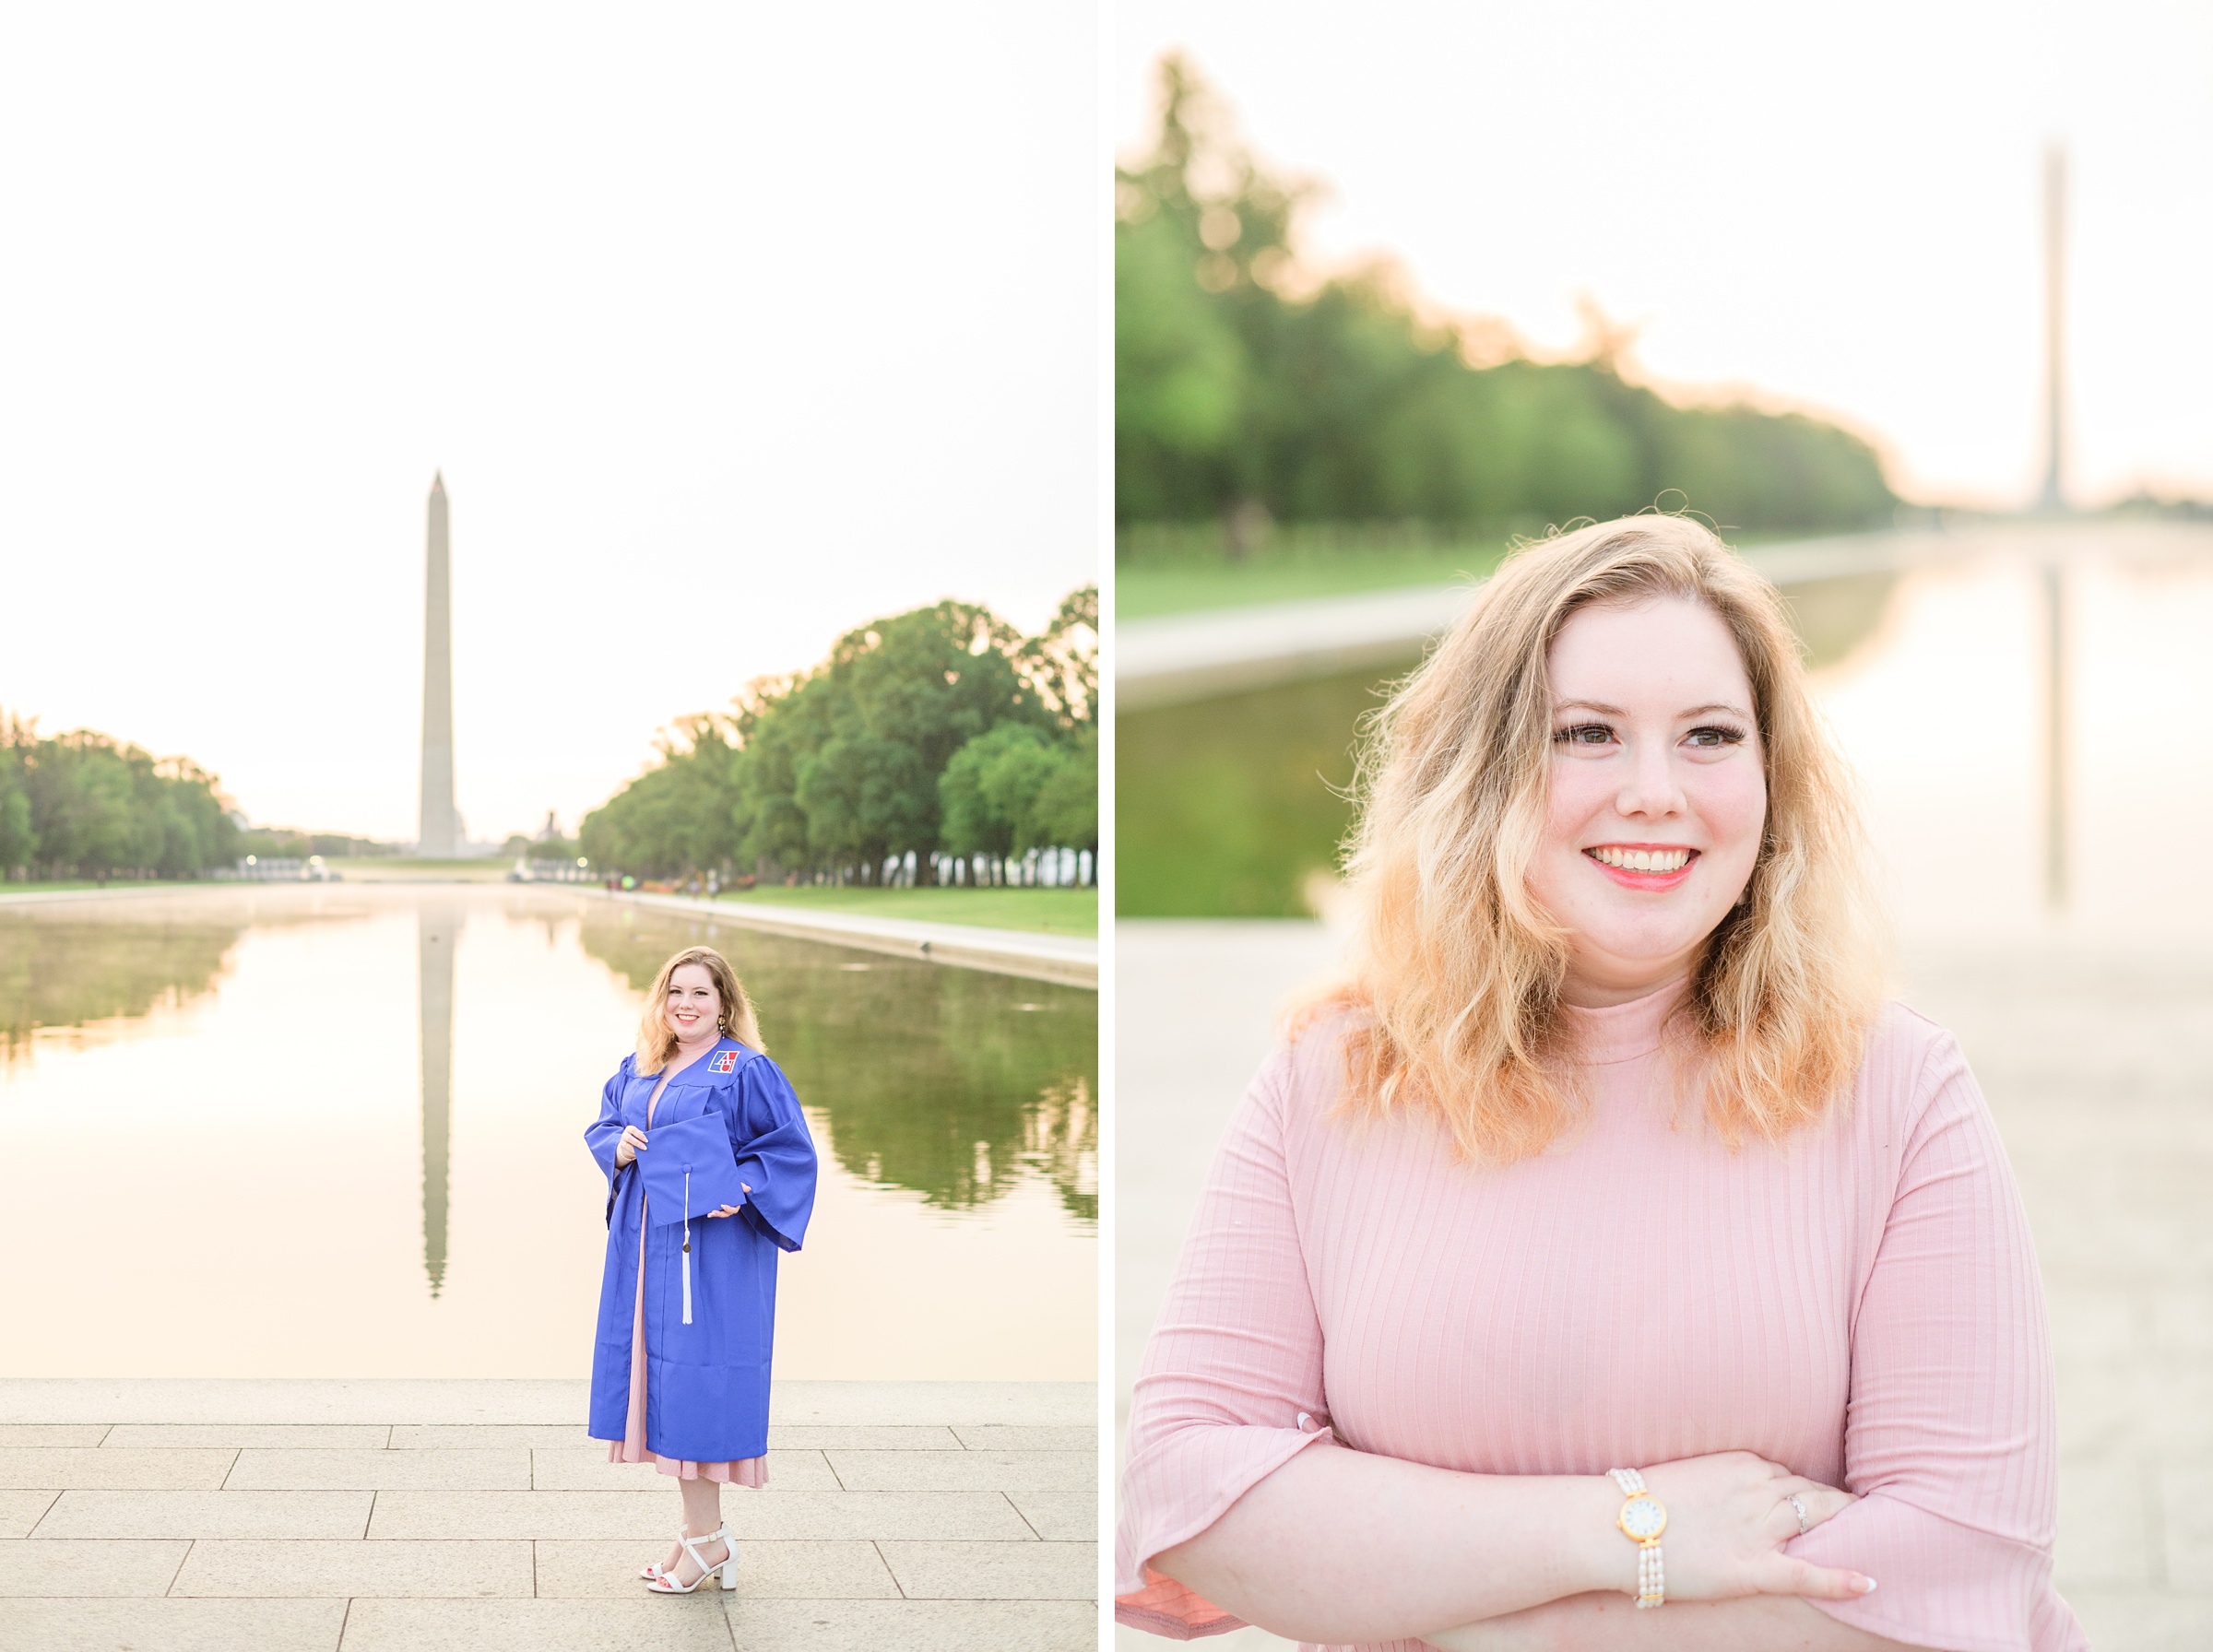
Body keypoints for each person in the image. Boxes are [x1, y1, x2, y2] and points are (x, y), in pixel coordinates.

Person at [1116, 517, 2087, 1650]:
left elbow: (1961, 1570)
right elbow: (1185, 1490)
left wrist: (1433, 1601)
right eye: (1587, 733)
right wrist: (1633, 1531)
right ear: (1482, 772)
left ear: (1773, 778)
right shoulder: (1334, 1077)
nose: (1655, 791)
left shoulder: (1900, 1089)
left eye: (1711, 735)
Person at [586, 944, 817, 1594]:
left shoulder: (744, 1070)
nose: (685, 1004)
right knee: (665, 1390)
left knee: (696, 1390)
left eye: (700, 994)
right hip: (645, 1256)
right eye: (674, 992)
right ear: (661, 1001)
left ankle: (708, 1543)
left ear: (724, 1006)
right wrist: (619, 1146)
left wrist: (740, 1187)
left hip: (709, 1258)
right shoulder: (639, 1066)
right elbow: (603, 1125)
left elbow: (789, 1152)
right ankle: (700, 1538)